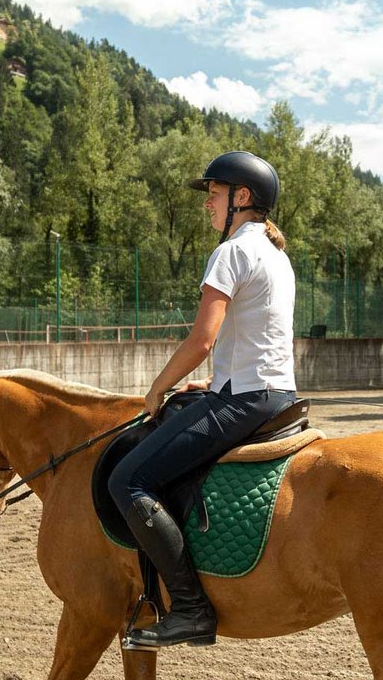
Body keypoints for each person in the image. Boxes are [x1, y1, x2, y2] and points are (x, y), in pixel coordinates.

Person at [108, 151, 297, 651]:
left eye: (214, 194)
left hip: (246, 400)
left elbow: (201, 340)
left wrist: (157, 388)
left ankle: (190, 609)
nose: (207, 204)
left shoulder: (232, 252)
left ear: (242, 198)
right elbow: (257, 340)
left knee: (129, 479)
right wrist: (212, 384)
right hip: (274, 393)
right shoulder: (276, 255)